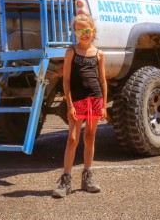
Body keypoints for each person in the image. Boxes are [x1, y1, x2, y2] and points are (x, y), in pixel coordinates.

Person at [52, 14, 107, 198]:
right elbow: (66, 80)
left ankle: (88, 176)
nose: (83, 34)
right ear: (74, 32)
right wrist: (69, 105)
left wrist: (104, 106)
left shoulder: (99, 54)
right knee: (72, 139)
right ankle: (66, 179)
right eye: (79, 31)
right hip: (77, 101)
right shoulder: (71, 52)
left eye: (86, 30)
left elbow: (103, 81)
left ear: (93, 31)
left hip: (95, 100)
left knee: (90, 137)